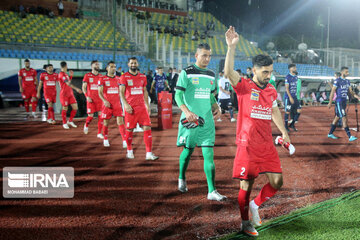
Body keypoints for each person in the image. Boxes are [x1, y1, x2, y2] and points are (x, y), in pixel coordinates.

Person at [224, 26, 291, 237]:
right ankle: (245, 223)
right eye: (265, 72)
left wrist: (284, 131)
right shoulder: (243, 86)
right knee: (247, 184)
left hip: (267, 146)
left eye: (271, 72)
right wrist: (231, 48)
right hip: (248, 146)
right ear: (254, 70)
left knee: (277, 182)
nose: (269, 76)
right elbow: (228, 72)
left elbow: (274, 111)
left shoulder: (271, 89)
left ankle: (255, 205)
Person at [175, 43, 226, 202]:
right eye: (204, 55)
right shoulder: (187, 72)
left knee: (208, 155)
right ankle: (181, 177)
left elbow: (211, 95)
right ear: (196, 56)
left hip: (207, 121)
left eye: (209, 56)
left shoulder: (211, 74)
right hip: (190, 120)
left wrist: (216, 105)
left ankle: (212, 190)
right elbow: (177, 96)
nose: (207, 59)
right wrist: (187, 112)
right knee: (188, 151)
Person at [120, 57, 158, 160]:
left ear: (137, 64)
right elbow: (121, 92)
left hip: (142, 108)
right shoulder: (124, 77)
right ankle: (129, 151)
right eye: (131, 63)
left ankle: (149, 154)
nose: (133, 65)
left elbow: (145, 91)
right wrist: (126, 105)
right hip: (130, 109)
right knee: (129, 130)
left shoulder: (143, 77)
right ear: (128, 64)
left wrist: (147, 105)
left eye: (135, 63)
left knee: (147, 128)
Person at [98, 61, 127, 148]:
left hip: (117, 104)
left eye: (114, 67)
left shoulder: (119, 79)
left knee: (120, 122)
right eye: (111, 67)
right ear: (107, 68)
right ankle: (105, 139)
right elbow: (100, 93)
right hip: (107, 105)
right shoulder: (102, 79)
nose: (113, 68)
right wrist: (104, 101)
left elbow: (122, 92)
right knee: (106, 122)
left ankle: (124, 140)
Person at [327, 67, 360, 141]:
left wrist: (353, 97)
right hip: (339, 102)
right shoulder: (337, 81)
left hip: (344, 102)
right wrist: (330, 102)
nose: (348, 73)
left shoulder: (347, 81)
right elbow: (333, 91)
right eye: (346, 72)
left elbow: (350, 91)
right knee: (344, 118)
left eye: (348, 72)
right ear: (342, 72)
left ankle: (330, 133)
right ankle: (350, 136)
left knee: (337, 118)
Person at [58, 61, 83, 129]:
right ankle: (64, 123)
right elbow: (68, 84)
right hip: (64, 94)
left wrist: (71, 76)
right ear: (66, 66)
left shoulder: (66, 74)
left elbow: (68, 82)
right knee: (65, 108)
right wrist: (77, 89)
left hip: (70, 93)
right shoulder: (61, 74)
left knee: (75, 107)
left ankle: (70, 121)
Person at [82, 60, 104, 139]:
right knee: (90, 117)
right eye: (96, 64)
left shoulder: (101, 76)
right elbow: (84, 87)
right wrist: (86, 96)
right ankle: (86, 125)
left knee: (101, 116)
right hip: (91, 99)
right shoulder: (87, 75)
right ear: (92, 66)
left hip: (100, 99)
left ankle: (99, 133)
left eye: (98, 64)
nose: (98, 66)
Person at [284, 64, 301, 131]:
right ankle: (286, 127)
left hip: (295, 97)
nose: (295, 69)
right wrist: (290, 97)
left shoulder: (296, 77)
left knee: (299, 110)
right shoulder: (287, 77)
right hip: (288, 97)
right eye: (294, 68)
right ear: (290, 69)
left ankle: (292, 124)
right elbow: (287, 88)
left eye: (295, 67)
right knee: (287, 112)